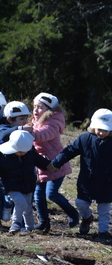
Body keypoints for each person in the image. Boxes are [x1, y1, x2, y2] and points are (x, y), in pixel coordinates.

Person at [50, 109, 112, 241]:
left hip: (106, 182)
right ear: (93, 126)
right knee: (80, 203)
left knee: (104, 210)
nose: (101, 133)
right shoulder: (84, 139)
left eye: (105, 130)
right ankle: (87, 217)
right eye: (99, 129)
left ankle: (103, 232)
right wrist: (56, 163)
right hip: (87, 180)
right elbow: (70, 151)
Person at [26, 93, 80, 233]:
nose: (36, 110)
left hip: (55, 164)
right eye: (35, 107)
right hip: (41, 165)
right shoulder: (34, 122)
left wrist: (26, 132)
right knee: (38, 195)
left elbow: (42, 135)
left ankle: (73, 213)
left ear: (49, 109)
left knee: (51, 193)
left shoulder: (54, 121)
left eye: (40, 107)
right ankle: (43, 222)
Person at [0, 130, 51, 233]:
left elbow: (43, 163)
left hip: (28, 186)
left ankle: (30, 228)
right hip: (11, 186)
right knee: (21, 203)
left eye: (23, 151)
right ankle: (15, 225)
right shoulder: (3, 156)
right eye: (19, 151)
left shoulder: (31, 154)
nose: (21, 153)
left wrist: (53, 165)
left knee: (28, 208)